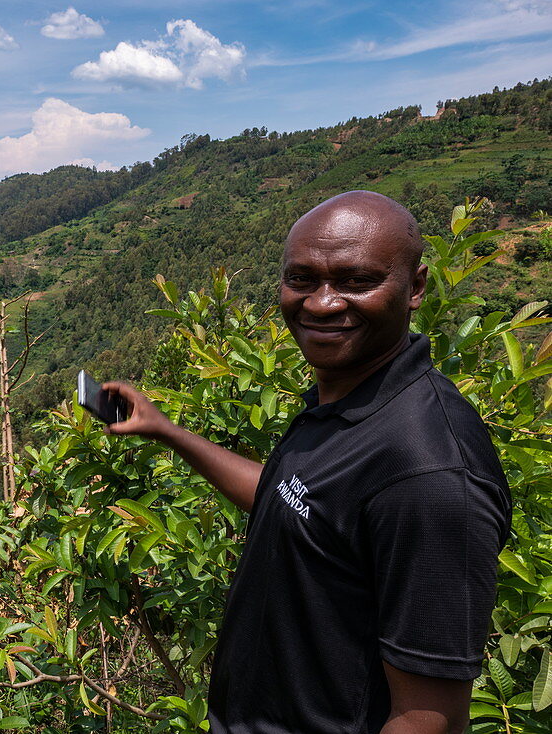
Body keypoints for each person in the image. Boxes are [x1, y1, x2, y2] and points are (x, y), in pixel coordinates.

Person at [104, 190, 511, 734]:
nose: (322, 303)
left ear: (415, 288)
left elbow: (426, 718)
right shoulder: (346, 402)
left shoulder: (428, 472)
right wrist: (169, 432)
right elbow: (299, 501)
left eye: (356, 282)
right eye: (302, 280)